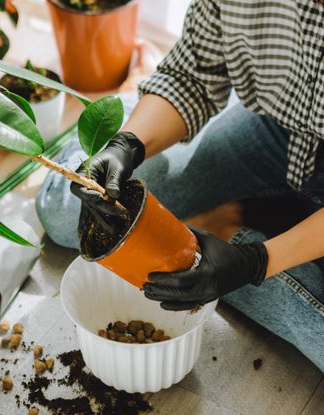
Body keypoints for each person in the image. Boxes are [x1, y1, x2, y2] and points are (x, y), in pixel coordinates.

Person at [37, 1, 324, 370]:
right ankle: (124, 116)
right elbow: (192, 75)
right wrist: (129, 143)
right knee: (68, 216)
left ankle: (231, 227)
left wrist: (256, 262)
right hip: (274, 124)